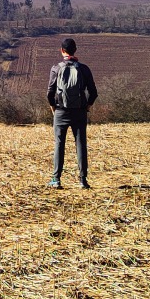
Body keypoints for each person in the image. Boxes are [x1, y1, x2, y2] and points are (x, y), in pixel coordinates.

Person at [46, 37, 98, 189]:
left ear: (62, 50)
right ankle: (83, 180)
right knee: (81, 144)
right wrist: (87, 106)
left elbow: (50, 92)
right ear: (75, 50)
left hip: (61, 111)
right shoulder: (84, 69)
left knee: (59, 144)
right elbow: (93, 92)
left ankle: (56, 179)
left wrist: (53, 107)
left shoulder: (56, 68)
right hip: (80, 112)